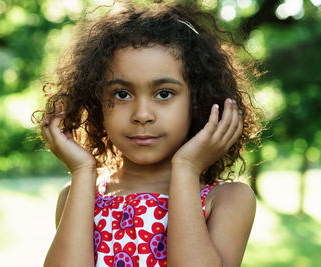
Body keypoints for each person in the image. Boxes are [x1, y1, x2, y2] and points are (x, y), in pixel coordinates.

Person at [33, 1, 263, 266]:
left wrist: (186, 168)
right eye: (122, 94)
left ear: (198, 101)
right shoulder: (78, 194)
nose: (142, 114)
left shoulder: (226, 200)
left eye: (164, 93)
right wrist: (83, 170)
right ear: (96, 104)